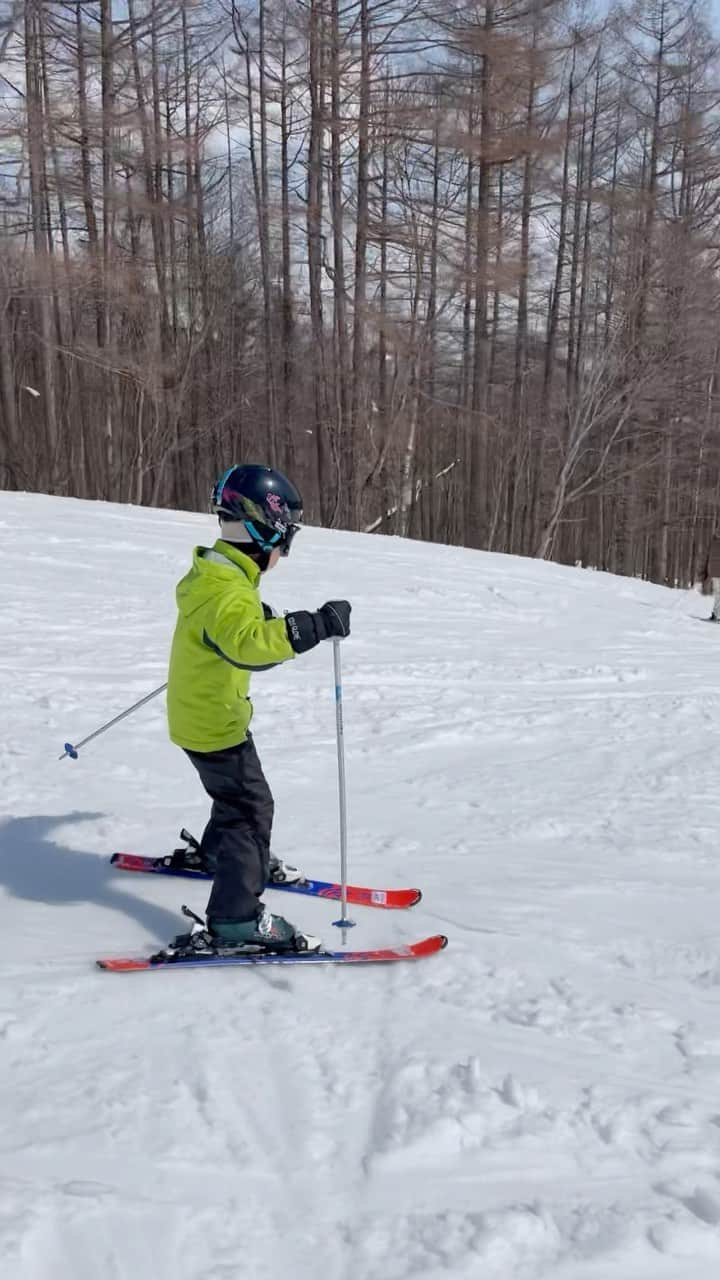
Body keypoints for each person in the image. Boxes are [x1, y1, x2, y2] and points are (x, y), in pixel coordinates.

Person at [165, 464, 351, 954]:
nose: (284, 552)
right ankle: (235, 917)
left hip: (202, 713)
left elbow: (238, 634)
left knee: (234, 800)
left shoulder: (220, 574)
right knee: (250, 808)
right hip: (214, 724)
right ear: (262, 533)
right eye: (285, 539)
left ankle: (220, 855)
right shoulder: (227, 591)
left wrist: (270, 624)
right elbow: (247, 643)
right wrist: (309, 626)